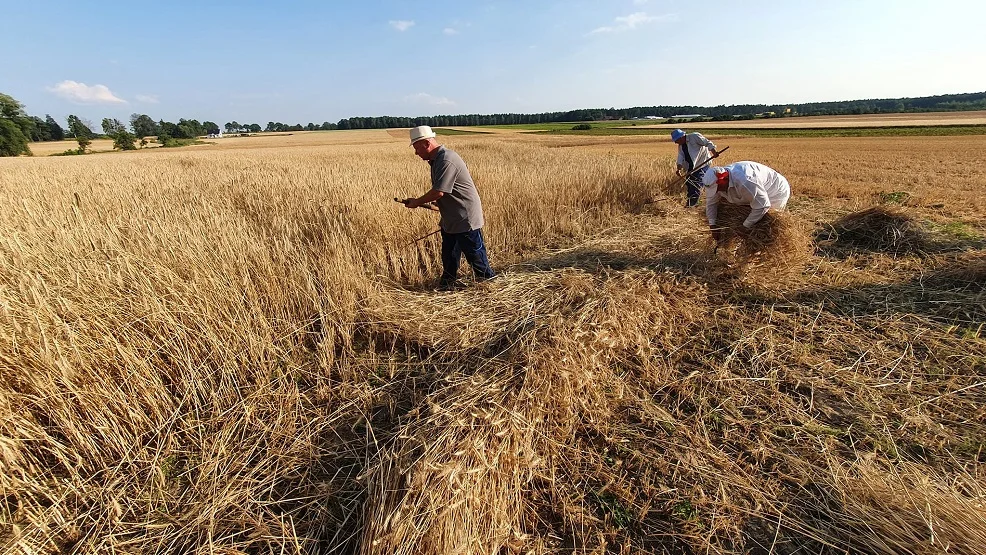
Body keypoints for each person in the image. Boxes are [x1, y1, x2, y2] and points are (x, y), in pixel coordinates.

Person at [401, 125, 496, 290]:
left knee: (476, 256)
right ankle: (447, 285)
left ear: (426, 143)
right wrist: (432, 204)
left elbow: (439, 192)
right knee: (449, 255)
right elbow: (445, 192)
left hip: (465, 218)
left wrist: (417, 202)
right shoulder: (437, 160)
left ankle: (490, 285)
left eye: (417, 148)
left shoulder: (446, 159)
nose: (416, 153)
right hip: (451, 218)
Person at [702, 161, 791, 243]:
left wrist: (744, 226)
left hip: (775, 191)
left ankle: (763, 250)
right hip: (754, 191)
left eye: (718, 189)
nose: (717, 192)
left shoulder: (746, 181)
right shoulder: (718, 183)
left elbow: (763, 206)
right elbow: (711, 203)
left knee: (767, 224)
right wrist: (713, 226)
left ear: (724, 180)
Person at [671, 129, 719, 207]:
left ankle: (692, 204)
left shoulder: (694, 136)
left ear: (681, 137)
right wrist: (678, 168)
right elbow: (681, 156)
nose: (675, 142)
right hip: (691, 167)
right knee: (689, 182)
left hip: (702, 163)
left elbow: (707, 143)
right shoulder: (681, 145)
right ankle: (691, 201)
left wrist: (714, 152)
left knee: (696, 182)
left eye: (676, 140)